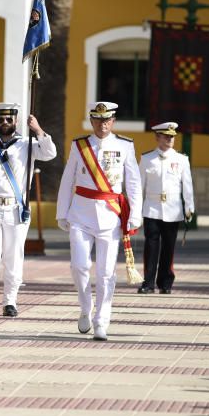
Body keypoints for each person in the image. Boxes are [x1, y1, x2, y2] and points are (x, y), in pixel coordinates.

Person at [56, 102, 142, 341]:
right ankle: (85, 308)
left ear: (113, 121)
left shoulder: (125, 146)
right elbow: (67, 180)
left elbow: (133, 182)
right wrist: (62, 212)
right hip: (80, 214)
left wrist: (135, 214)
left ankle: (102, 320)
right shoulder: (79, 146)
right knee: (79, 266)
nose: (102, 125)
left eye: (107, 120)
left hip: (110, 216)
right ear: (91, 121)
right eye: (97, 120)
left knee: (106, 273)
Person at [0, 102, 57, 317]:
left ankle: (10, 301)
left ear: (16, 121)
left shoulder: (27, 144)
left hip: (15, 208)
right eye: (0, 119)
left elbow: (51, 153)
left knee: (12, 256)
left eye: (8, 119)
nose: (4, 123)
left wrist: (38, 130)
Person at [137, 122, 194, 295]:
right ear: (157, 137)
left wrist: (189, 207)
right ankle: (148, 282)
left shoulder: (181, 159)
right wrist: (135, 211)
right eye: (166, 136)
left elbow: (187, 185)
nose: (170, 139)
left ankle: (166, 282)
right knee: (151, 247)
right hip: (152, 209)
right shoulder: (147, 159)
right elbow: (139, 186)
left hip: (173, 209)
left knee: (168, 248)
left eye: (172, 136)